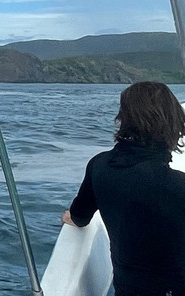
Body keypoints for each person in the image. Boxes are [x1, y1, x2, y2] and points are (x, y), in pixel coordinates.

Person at [62, 81, 185, 296]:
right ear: (172, 122)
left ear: (123, 119)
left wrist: (70, 217)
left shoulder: (99, 166)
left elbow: (78, 217)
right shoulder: (176, 186)